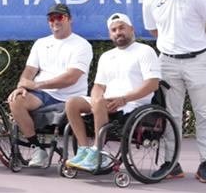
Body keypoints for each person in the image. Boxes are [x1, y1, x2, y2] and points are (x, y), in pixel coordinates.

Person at [141, 0, 206, 183]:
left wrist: (200, 42)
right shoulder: (149, 1)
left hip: (198, 62)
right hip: (167, 63)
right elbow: (154, 31)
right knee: (170, 115)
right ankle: (172, 164)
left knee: (204, 114)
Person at [65, 13, 162, 172]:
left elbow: (153, 84)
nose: (118, 32)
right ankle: (84, 151)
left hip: (133, 104)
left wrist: (123, 99)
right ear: (110, 34)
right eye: (114, 30)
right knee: (72, 103)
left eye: (121, 28)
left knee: (99, 103)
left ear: (131, 29)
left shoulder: (145, 51)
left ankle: (97, 152)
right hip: (106, 102)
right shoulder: (106, 56)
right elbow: (98, 86)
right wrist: (96, 99)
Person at [7, 2, 94, 169]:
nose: (55, 21)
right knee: (15, 100)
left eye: (59, 17)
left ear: (69, 19)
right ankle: (37, 148)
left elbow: (71, 78)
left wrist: (37, 85)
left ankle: (84, 153)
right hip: (43, 94)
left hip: (71, 97)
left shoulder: (82, 45)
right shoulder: (40, 43)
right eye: (51, 19)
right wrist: (22, 86)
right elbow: (29, 70)